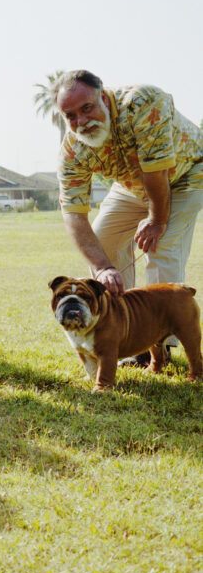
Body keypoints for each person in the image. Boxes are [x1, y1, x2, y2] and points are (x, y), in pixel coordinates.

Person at [55, 69, 203, 366]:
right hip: (132, 186)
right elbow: (73, 213)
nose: (81, 122)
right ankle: (126, 334)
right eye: (70, 116)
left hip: (186, 176)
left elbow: (157, 173)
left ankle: (161, 345)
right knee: (102, 242)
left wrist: (157, 221)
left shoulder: (144, 102)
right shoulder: (72, 149)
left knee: (162, 248)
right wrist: (102, 266)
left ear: (104, 98)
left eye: (87, 108)